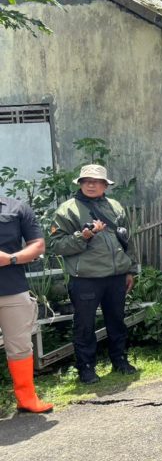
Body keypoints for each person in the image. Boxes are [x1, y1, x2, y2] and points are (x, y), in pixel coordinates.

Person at [50, 165, 139, 384]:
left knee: (117, 321)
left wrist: (130, 269)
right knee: (84, 325)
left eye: (97, 181)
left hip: (116, 276)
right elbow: (56, 245)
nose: (91, 185)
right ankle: (86, 368)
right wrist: (84, 235)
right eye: (86, 180)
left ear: (105, 185)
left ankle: (120, 360)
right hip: (86, 278)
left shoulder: (115, 207)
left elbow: (127, 239)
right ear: (80, 183)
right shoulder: (67, 210)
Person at [0, 195, 52, 412]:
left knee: (20, 346)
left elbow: (38, 246)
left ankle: (27, 399)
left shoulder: (17, 208)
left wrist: (10, 259)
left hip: (12, 290)